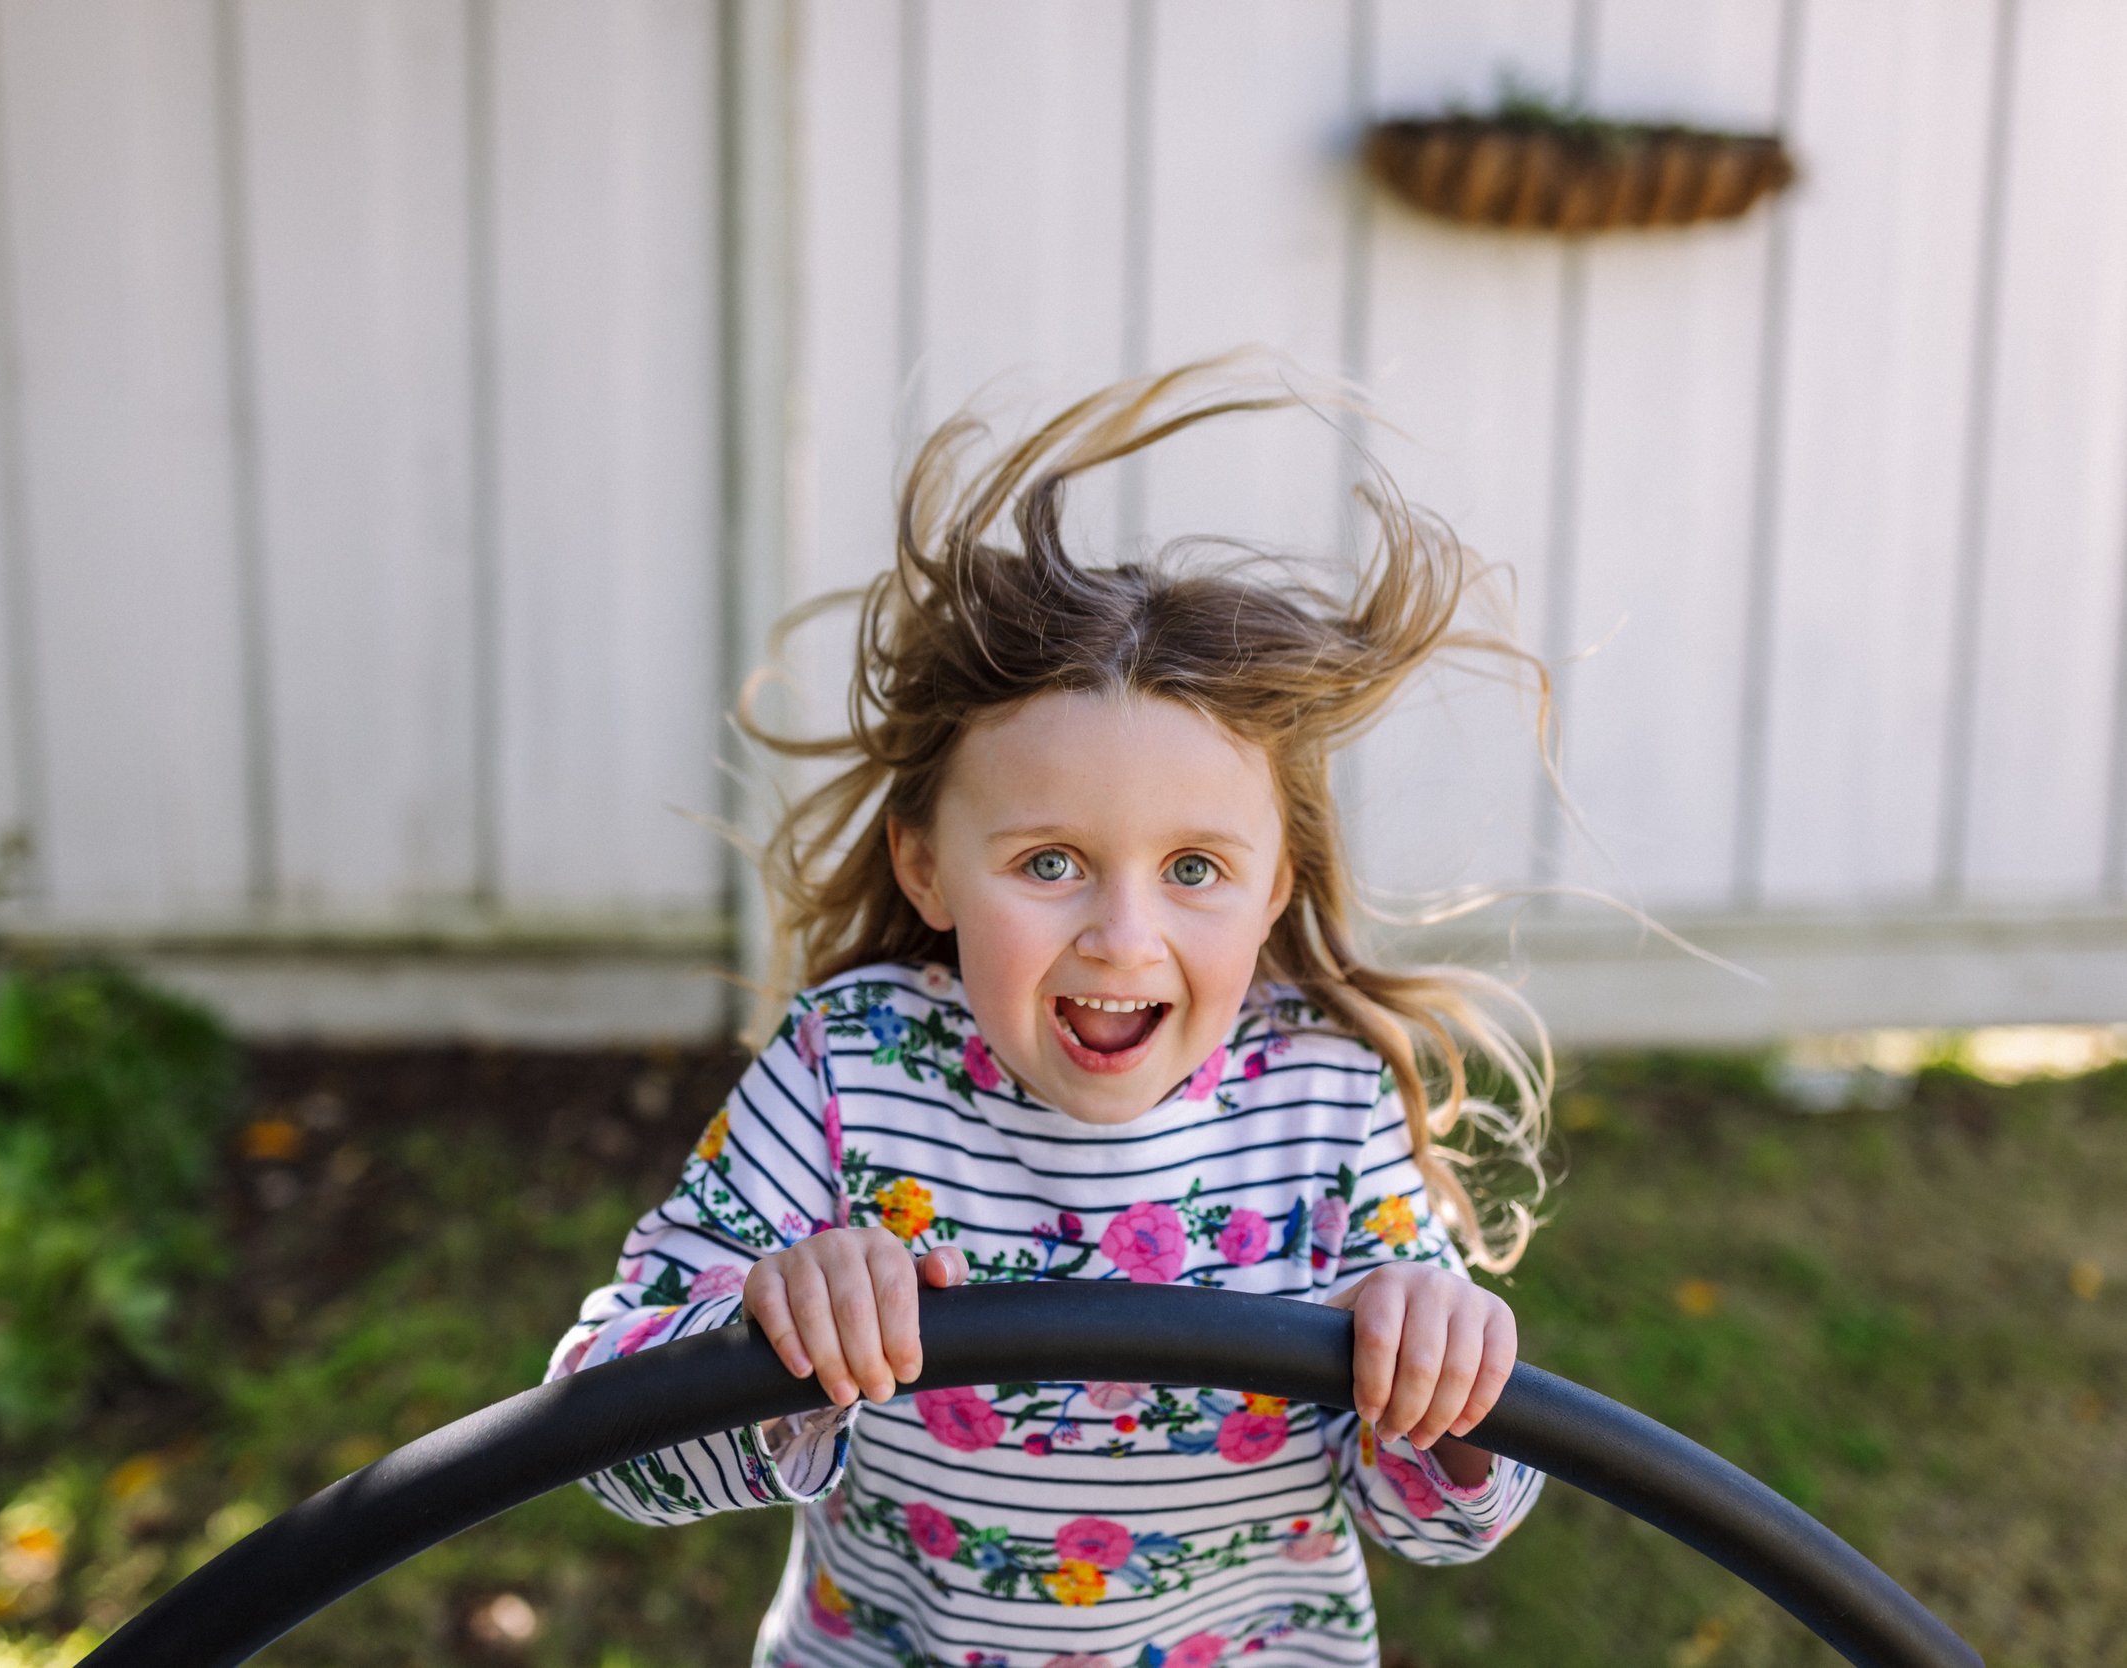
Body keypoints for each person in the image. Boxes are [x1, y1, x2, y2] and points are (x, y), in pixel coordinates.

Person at [548, 361, 1554, 1668]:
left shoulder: (1326, 1102)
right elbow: (599, 1439)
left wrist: (1450, 1386)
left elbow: (1447, 1520)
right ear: (927, 867)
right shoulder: (850, 1071)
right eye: (1049, 863)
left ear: (1274, 891)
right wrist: (762, 1335)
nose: (1122, 937)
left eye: (1194, 870)